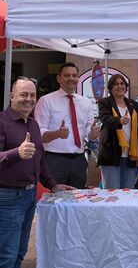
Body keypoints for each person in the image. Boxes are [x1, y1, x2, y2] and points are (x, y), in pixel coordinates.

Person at [0, 77, 74, 268]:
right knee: (6, 255)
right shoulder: (1, 121)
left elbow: (40, 160)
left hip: (30, 196)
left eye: (33, 95)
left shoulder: (33, 124)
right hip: (8, 198)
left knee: (19, 252)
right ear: (11, 96)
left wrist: (53, 184)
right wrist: (17, 153)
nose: (29, 99)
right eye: (24, 94)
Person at [34, 62, 100, 188]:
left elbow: (89, 133)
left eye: (74, 75)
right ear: (59, 78)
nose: (71, 78)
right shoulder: (46, 101)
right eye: (67, 75)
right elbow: (38, 133)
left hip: (79, 160)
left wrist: (94, 133)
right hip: (54, 160)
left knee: (77, 200)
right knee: (53, 200)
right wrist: (57, 134)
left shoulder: (85, 102)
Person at [97, 74, 138, 189]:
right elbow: (105, 118)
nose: (120, 86)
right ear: (111, 87)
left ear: (126, 87)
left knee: (128, 192)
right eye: (116, 84)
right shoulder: (104, 102)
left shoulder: (133, 104)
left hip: (131, 156)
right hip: (111, 155)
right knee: (112, 193)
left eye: (122, 84)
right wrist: (119, 120)